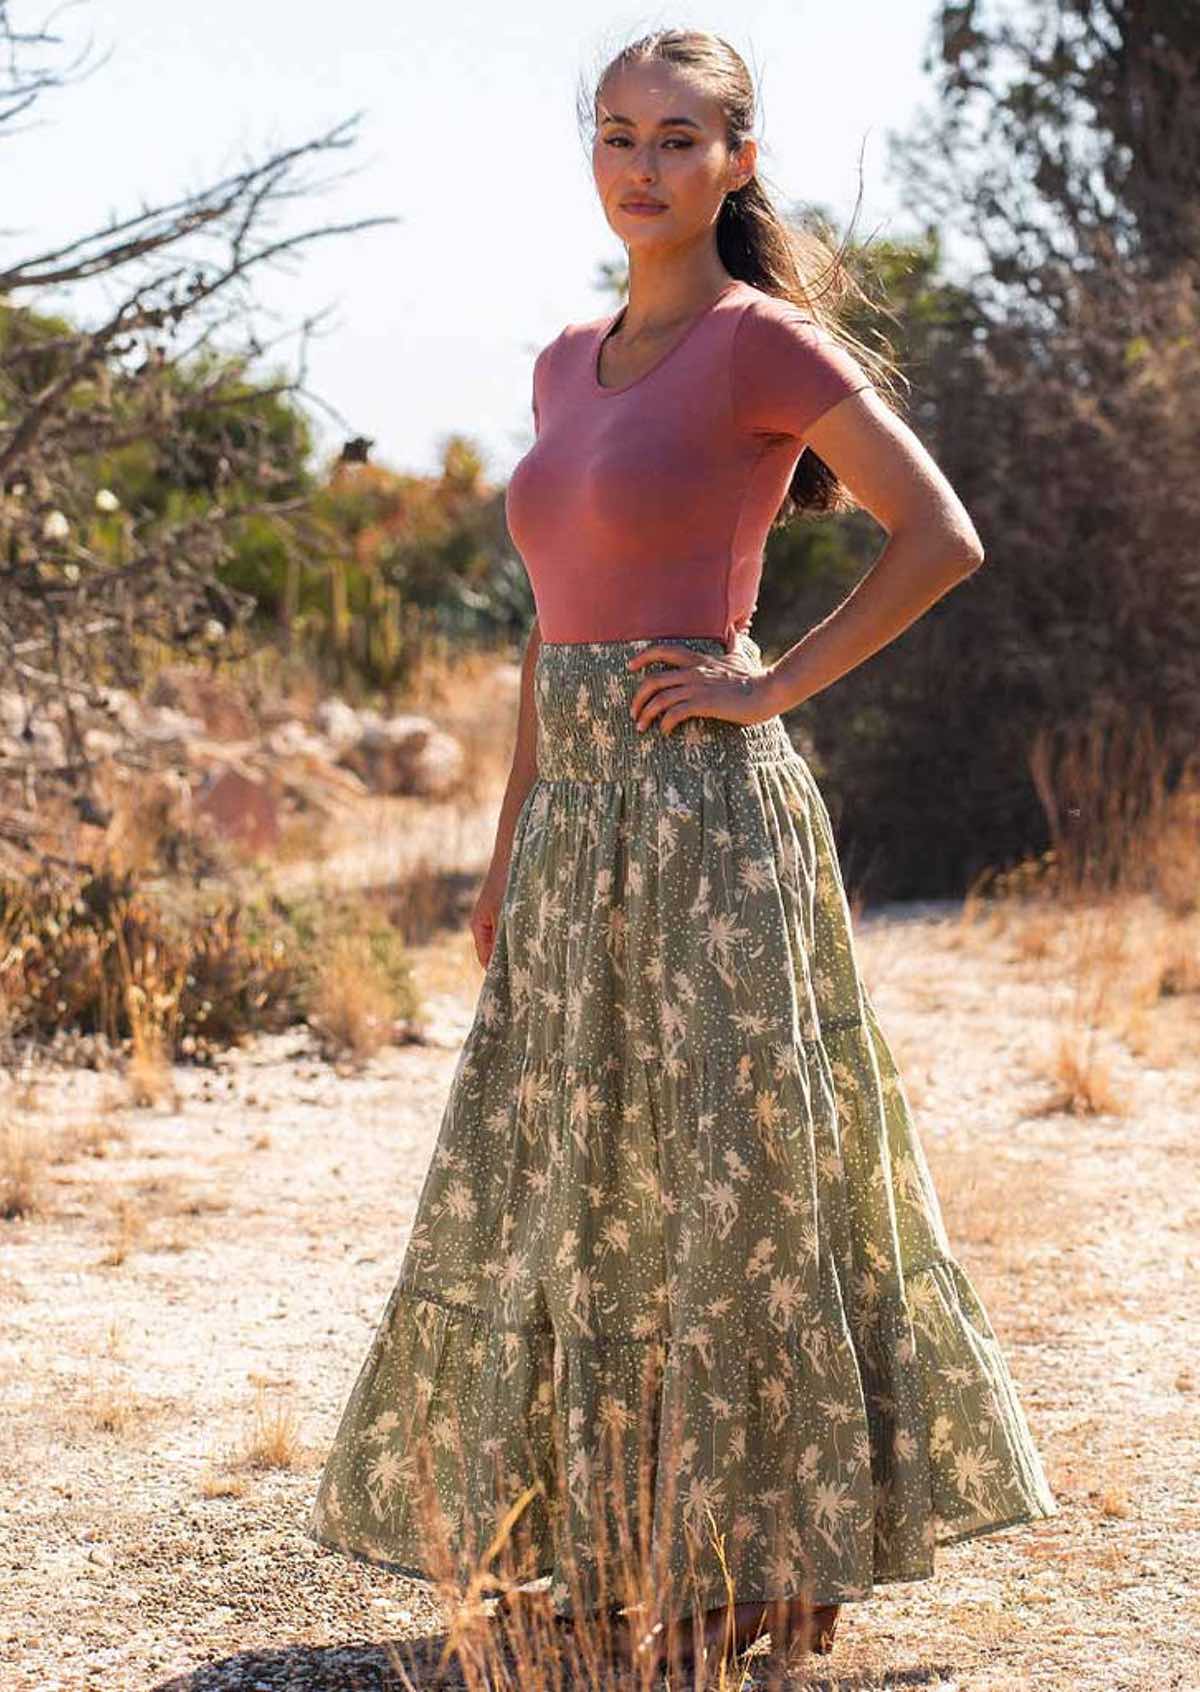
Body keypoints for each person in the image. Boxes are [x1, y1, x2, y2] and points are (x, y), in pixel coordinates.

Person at [305, 26, 1059, 1677]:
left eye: (678, 137)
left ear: (737, 159)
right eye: (618, 134)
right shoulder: (561, 358)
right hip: (573, 827)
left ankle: (767, 1568)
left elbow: (942, 534)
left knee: (737, 1186)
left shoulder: (759, 344)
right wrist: (506, 841)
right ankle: (607, 1544)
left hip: (709, 826)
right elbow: (540, 627)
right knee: (583, 1185)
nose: (641, 166)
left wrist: (774, 679)